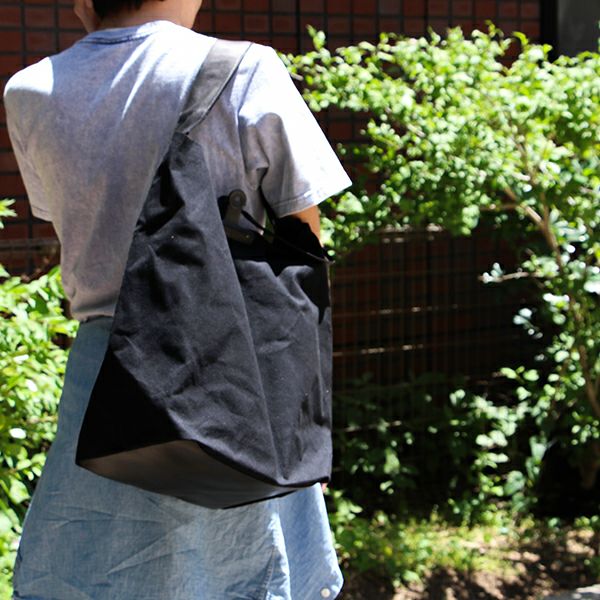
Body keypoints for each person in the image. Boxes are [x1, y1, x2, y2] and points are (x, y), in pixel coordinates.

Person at [3, 0, 351, 596]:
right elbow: (305, 246)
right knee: (244, 571)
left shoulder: (30, 89)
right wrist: (303, 414)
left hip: (103, 377)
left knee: (95, 575)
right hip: (233, 367)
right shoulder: (245, 68)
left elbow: (75, 221)